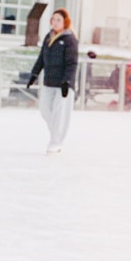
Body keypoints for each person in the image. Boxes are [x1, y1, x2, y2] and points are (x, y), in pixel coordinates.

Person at [27, 8, 78, 155]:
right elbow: (42, 58)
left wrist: (67, 81)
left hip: (63, 84)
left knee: (60, 113)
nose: (55, 23)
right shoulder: (48, 37)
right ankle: (56, 136)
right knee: (45, 110)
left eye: (58, 20)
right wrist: (34, 74)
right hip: (49, 81)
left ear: (65, 22)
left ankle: (56, 142)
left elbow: (72, 63)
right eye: (53, 19)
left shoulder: (70, 39)